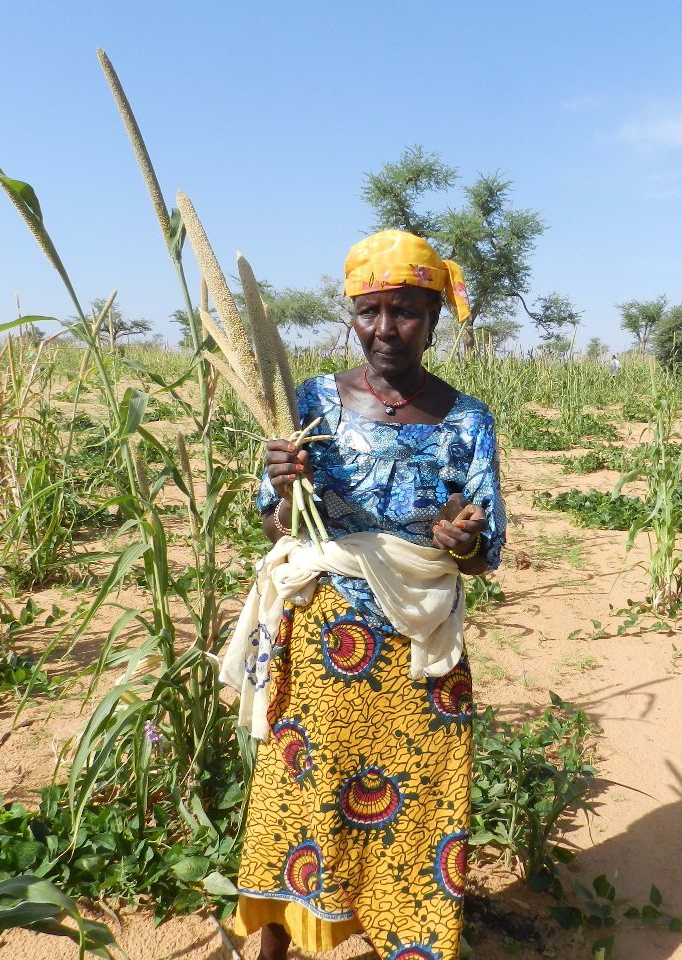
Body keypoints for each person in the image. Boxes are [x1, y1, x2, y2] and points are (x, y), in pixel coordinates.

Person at [219, 229, 506, 960]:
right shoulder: (311, 399)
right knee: (298, 805)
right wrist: (283, 486)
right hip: (322, 644)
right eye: (370, 311)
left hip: (420, 651)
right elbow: (276, 524)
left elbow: (485, 553)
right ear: (352, 314)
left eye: (405, 311)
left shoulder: (467, 420)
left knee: (417, 816)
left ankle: (401, 941)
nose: (386, 329)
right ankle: (277, 947)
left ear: (435, 316)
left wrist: (461, 541)